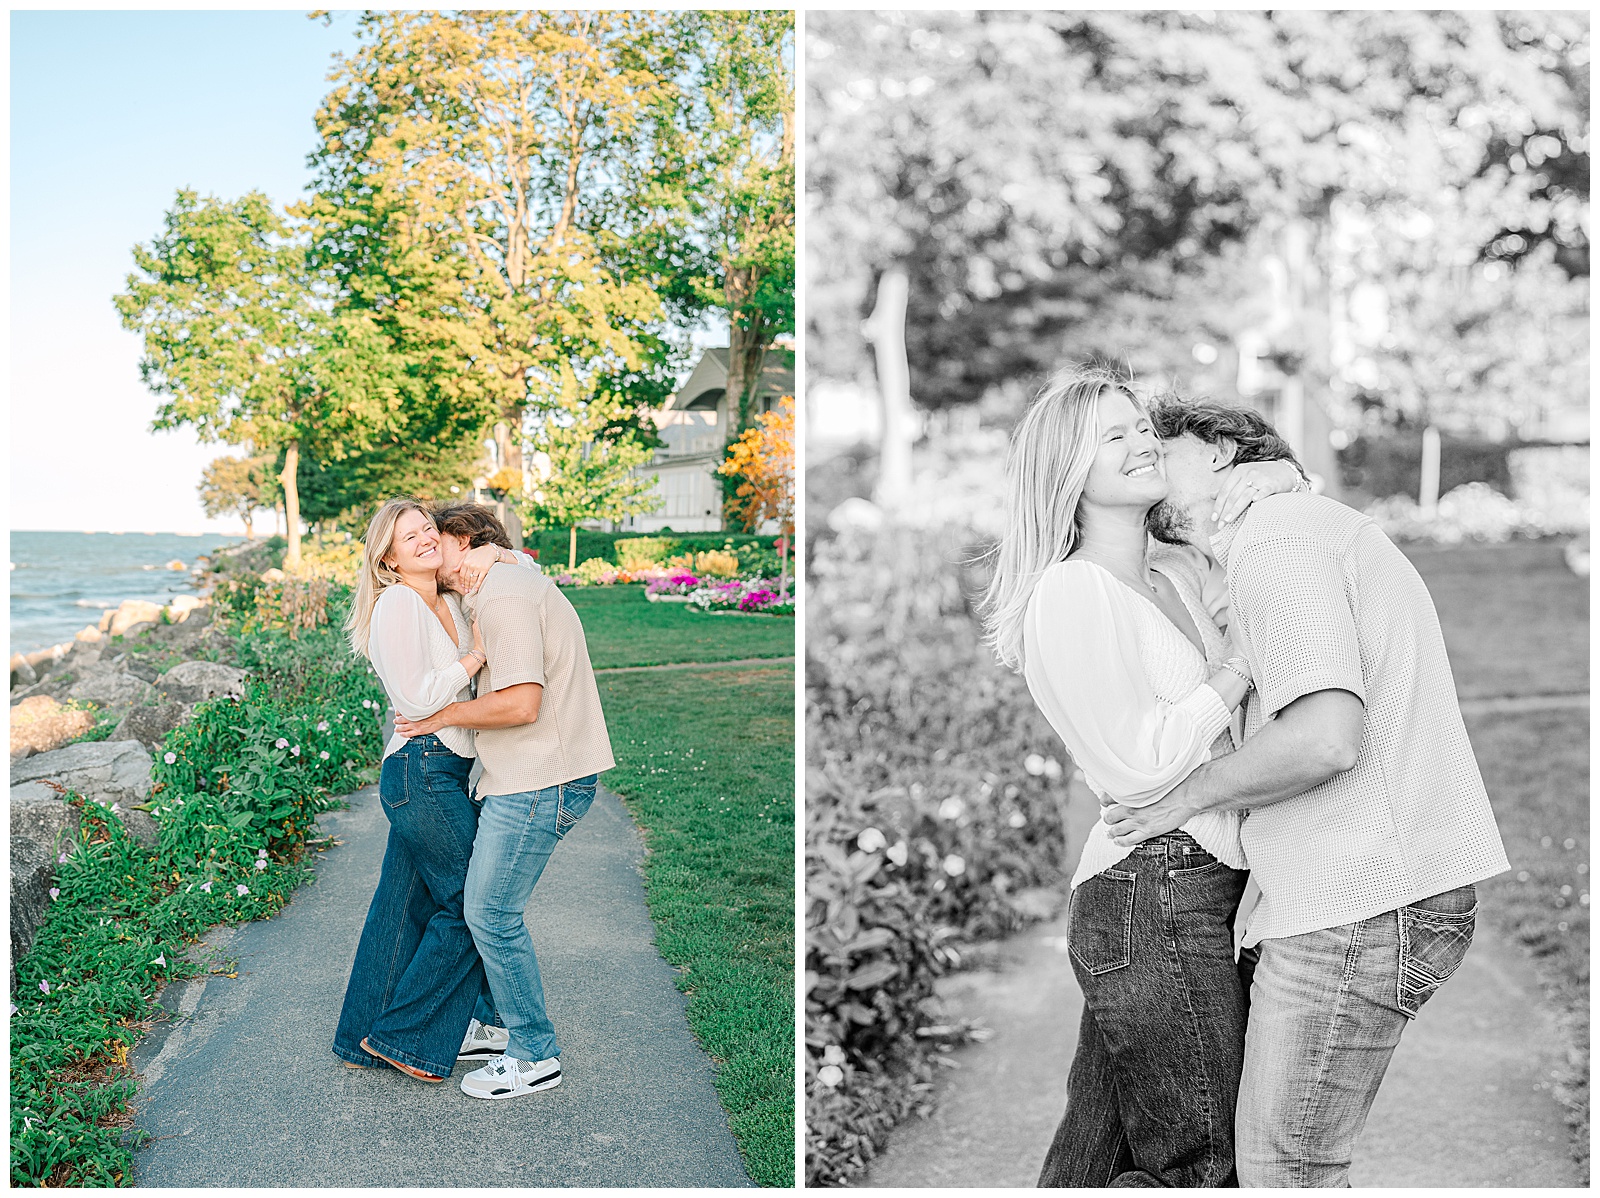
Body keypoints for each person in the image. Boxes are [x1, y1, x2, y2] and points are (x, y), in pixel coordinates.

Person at [1101, 396, 1511, 1187]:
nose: (1148, 462)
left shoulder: (1280, 537)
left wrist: (1187, 794)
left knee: (1289, 1172)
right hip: (1360, 894)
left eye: (1162, 446)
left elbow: (1328, 736)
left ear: (1219, 452)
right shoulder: (1291, 529)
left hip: (1359, 901)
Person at [976, 366, 1304, 1186]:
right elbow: (1140, 763)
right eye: (1111, 436)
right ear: (1067, 472)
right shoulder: (1069, 593)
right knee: (1204, 1165)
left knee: (1091, 1161)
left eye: (1141, 428)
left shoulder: (1176, 574)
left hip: (1194, 885)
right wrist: (1234, 669)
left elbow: (1291, 527)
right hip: (1151, 893)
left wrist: (1276, 474)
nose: (1142, 444)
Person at [394, 503, 615, 1101]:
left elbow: (520, 703)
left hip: (539, 780)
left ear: (461, 541)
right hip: (528, 776)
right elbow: (508, 558)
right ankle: (495, 1025)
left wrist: (438, 717)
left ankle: (534, 1054)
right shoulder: (503, 578)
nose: (427, 551)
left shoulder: (503, 594)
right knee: (481, 907)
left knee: (491, 914)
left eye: (434, 539)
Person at [331, 498, 518, 1081]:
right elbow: (415, 699)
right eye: (406, 534)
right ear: (387, 556)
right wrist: (474, 659)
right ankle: (407, 1037)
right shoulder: (398, 605)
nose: (423, 538)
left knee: (402, 909)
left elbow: (515, 567)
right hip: (420, 769)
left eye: (428, 528)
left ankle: (363, 1038)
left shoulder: (451, 603)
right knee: (474, 902)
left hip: (444, 770)